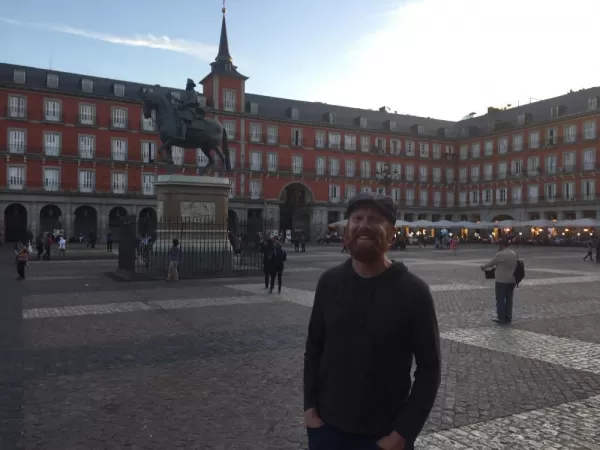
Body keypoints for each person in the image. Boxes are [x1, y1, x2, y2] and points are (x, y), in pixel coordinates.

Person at [303, 192, 441, 450]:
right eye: (357, 218)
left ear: (391, 232)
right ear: (348, 228)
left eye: (375, 219)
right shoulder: (328, 283)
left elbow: (429, 370)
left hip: (384, 436)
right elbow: (314, 348)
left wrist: (402, 434)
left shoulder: (414, 292)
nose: (364, 225)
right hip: (327, 430)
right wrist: (310, 409)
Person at [480, 238, 518, 324]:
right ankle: (509, 317)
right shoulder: (513, 253)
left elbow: (492, 262)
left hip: (502, 280)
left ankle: (501, 317)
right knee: (509, 299)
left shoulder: (501, 254)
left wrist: (484, 267)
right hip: (512, 280)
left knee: (500, 299)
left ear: (501, 245)